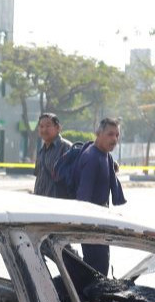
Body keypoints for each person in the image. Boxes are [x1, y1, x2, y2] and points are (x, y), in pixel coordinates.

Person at [75, 118, 127, 275]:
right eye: (110, 134)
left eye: (117, 135)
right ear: (98, 134)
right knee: (96, 271)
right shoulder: (92, 158)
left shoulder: (105, 156)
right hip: (92, 226)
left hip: (100, 223)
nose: (114, 139)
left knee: (97, 269)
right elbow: (83, 200)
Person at [33, 113, 74, 196]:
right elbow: (39, 176)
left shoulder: (66, 148)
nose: (44, 130)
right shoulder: (41, 150)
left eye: (48, 126)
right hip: (39, 202)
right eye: (41, 126)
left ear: (58, 128)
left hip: (57, 203)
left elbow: (72, 178)